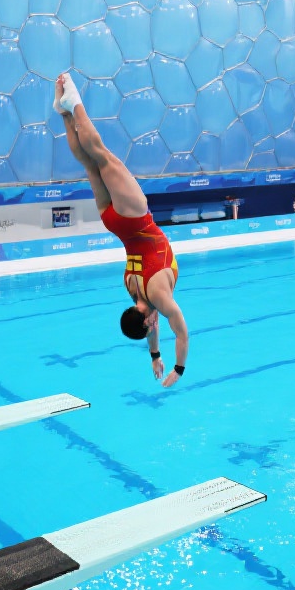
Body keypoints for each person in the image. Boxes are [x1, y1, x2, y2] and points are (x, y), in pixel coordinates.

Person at [55, 72, 188, 387]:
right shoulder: (133, 289)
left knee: (100, 154)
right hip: (113, 223)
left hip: (135, 218)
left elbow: (180, 330)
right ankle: (63, 111)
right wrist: (154, 356)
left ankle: (74, 102)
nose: (153, 324)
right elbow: (152, 323)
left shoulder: (159, 296)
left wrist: (178, 369)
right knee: (89, 163)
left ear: (145, 319)